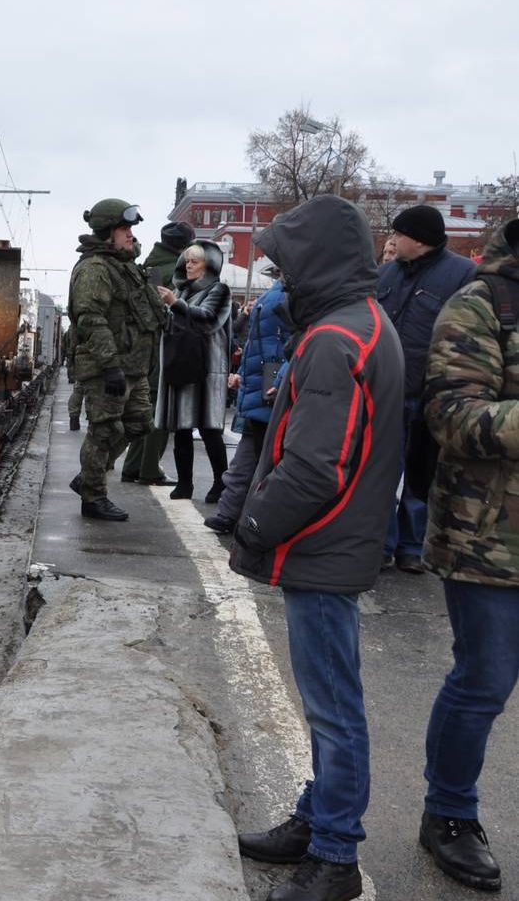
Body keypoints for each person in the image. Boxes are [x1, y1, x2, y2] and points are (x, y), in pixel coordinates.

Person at [231, 195, 404, 901]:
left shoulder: (336, 338)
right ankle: (315, 818)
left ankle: (335, 856)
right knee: (330, 701)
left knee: (334, 707)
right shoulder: (361, 325)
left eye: (286, 263)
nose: (280, 276)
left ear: (316, 264)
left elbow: (314, 468)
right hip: (338, 541)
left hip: (323, 545)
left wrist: (253, 521)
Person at [414, 218, 519, 893]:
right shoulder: (483, 302)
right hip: (491, 539)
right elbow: (450, 413)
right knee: (484, 680)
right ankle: (448, 812)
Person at [377, 205, 477, 573]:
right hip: (386, 389)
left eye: (399, 234)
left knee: (422, 473)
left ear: (417, 239)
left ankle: (411, 546)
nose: (393, 240)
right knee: (381, 471)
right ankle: (382, 544)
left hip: (430, 394)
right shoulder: (385, 273)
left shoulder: (463, 275)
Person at [67, 198, 164, 521]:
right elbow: (90, 319)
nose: (130, 235)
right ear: (108, 232)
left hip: (132, 366)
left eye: (130, 229)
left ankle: (88, 476)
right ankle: (93, 497)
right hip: (109, 367)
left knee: (139, 424)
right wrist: (110, 366)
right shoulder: (96, 269)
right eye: (124, 229)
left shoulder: (125, 266)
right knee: (104, 430)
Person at [207, 269, 293, 534]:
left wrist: (283, 378)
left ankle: (251, 519)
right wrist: (242, 374)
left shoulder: (301, 291)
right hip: (261, 383)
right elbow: (260, 342)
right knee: (248, 456)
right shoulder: (280, 288)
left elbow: (301, 341)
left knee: (269, 460)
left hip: (273, 384)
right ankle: (230, 513)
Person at [154, 241, 232, 501]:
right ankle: (185, 483)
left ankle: (222, 483)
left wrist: (175, 304)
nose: (188, 265)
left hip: (208, 367)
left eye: (195, 261)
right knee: (182, 427)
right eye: (186, 260)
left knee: (210, 429)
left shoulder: (219, 290)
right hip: (182, 362)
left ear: (207, 266)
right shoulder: (181, 291)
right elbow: (173, 322)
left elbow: (208, 319)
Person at [122, 221, 194, 484]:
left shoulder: (149, 267)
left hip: (145, 349)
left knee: (148, 410)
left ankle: (133, 466)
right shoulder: (179, 272)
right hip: (167, 349)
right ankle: (150, 469)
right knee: (161, 412)